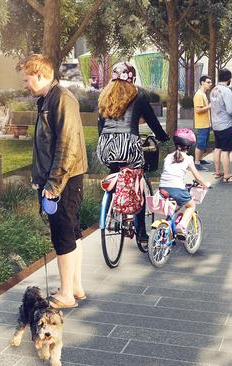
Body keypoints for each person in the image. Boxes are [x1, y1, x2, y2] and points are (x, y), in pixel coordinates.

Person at [20, 54, 88, 309]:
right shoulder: (49, 99)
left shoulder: (61, 99)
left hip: (64, 181)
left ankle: (66, 294)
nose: (25, 85)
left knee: (63, 236)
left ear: (39, 75)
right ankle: (75, 288)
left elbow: (67, 146)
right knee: (71, 232)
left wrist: (52, 185)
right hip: (61, 179)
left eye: (27, 79)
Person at [96, 61, 169, 245]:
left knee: (114, 174)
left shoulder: (104, 96)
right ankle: (141, 233)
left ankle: (113, 210)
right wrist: (163, 137)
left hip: (105, 145)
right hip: (129, 145)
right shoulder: (139, 95)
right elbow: (152, 121)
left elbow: (100, 124)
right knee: (138, 183)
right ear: (132, 78)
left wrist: (106, 142)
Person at [159, 128, 211, 236]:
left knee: (175, 205)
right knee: (191, 205)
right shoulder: (188, 159)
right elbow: (197, 177)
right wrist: (205, 184)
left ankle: (170, 225)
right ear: (189, 145)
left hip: (162, 188)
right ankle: (182, 225)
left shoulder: (168, 157)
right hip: (176, 189)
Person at [209, 68, 232, 183]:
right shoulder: (226, 91)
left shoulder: (213, 90)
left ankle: (217, 172)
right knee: (226, 151)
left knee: (218, 148)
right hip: (226, 125)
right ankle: (227, 176)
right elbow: (230, 110)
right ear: (229, 79)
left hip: (216, 124)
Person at [193, 75, 213, 171]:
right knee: (200, 144)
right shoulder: (199, 95)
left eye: (210, 82)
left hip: (206, 123)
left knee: (203, 143)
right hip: (201, 124)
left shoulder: (203, 94)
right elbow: (197, 110)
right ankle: (197, 163)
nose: (210, 84)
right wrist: (209, 106)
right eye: (208, 82)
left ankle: (200, 160)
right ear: (202, 83)